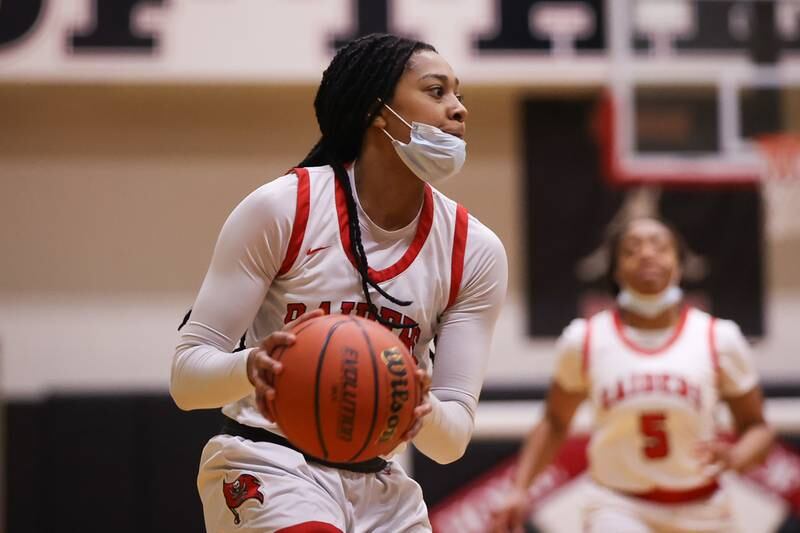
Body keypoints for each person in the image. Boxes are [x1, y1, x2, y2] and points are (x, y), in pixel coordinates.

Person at [170, 33, 508, 533]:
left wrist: (421, 407)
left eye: (460, 95)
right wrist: (256, 367)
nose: (458, 110)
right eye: (436, 91)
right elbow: (186, 379)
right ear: (377, 110)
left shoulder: (474, 252)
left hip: (381, 486)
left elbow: (450, 441)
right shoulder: (284, 208)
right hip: (269, 460)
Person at [490, 217, 774, 533]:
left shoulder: (719, 337)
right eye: (631, 249)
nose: (647, 254)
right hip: (618, 505)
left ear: (679, 266)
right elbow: (555, 422)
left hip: (704, 507)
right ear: (615, 270)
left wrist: (736, 456)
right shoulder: (584, 339)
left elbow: (758, 427)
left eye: (660, 246)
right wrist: (518, 489)